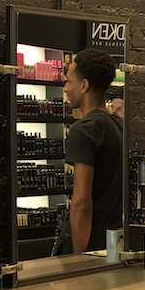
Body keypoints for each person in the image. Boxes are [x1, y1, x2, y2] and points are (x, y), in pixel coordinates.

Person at [61, 48, 123, 254]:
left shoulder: (84, 129)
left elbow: (81, 202)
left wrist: (78, 257)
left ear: (84, 85)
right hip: (116, 240)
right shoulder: (119, 125)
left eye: (68, 81)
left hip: (93, 244)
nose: (65, 88)